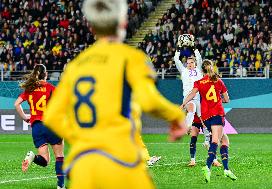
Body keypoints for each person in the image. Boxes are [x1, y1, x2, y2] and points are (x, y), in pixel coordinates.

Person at [43, 0, 187, 188]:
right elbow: (149, 101)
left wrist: (83, 138)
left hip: (83, 166)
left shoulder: (75, 66)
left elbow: (52, 117)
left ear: (92, 27)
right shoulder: (131, 58)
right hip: (122, 160)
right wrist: (177, 116)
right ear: (123, 23)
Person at [181, 59, 237, 182]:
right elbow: (227, 99)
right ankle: (207, 166)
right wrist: (217, 99)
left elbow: (191, 94)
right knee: (216, 140)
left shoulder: (199, 82)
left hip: (205, 117)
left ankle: (226, 170)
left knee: (224, 140)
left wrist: (184, 103)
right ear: (212, 67)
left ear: (201, 70)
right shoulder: (218, 81)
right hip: (216, 113)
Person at [14, 64, 65, 189]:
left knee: (44, 160)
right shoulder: (51, 88)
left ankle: (32, 157)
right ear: (46, 74)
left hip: (36, 127)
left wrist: (26, 117)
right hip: (51, 124)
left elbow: (17, 104)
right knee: (59, 156)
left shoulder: (29, 89)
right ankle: (60, 186)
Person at [174, 35, 219, 167]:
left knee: (206, 129)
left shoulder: (199, 70)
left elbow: (199, 58)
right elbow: (176, 59)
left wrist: (193, 47)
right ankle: (186, 126)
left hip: (200, 99)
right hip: (188, 98)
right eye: (188, 63)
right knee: (191, 107)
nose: (190, 64)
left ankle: (214, 158)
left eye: (191, 62)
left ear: (194, 63)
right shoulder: (183, 71)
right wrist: (178, 48)